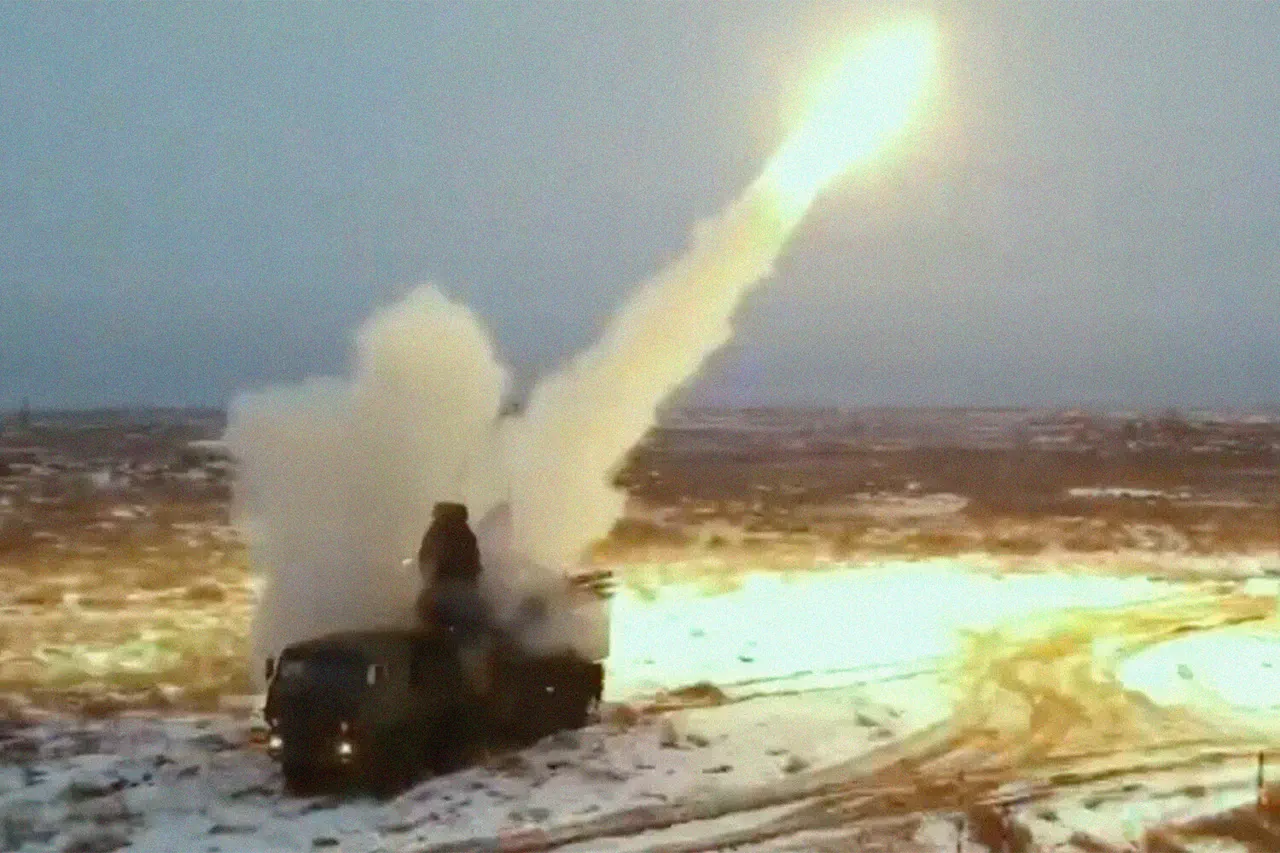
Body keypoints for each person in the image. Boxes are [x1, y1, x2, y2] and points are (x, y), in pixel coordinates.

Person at [416, 502, 493, 694]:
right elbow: (475, 567)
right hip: (466, 596)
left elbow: (426, 563)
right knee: (473, 641)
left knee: (431, 637)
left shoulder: (436, 532)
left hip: (442, 594)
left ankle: (432, 684)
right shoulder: (466, 534)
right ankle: (476, 685)